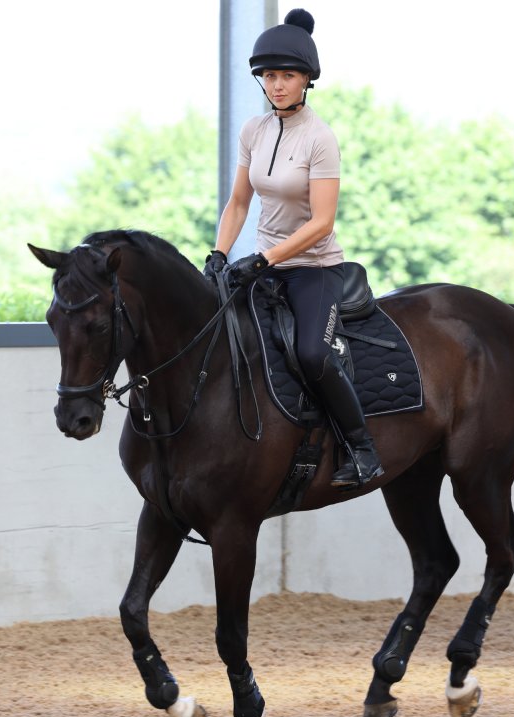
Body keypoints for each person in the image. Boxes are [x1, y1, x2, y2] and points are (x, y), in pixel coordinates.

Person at [206, 8, 383, 489]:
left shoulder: (320, 138)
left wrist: (265, 258)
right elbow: (239, 202)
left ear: (307, 80)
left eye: (288, 75)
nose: (277, 84)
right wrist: (219, 254)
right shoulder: (253, 131)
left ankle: (362, 449)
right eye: (269, 76)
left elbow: (323, 223)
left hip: (312, 269)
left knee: (311, 353)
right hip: (261, 267)